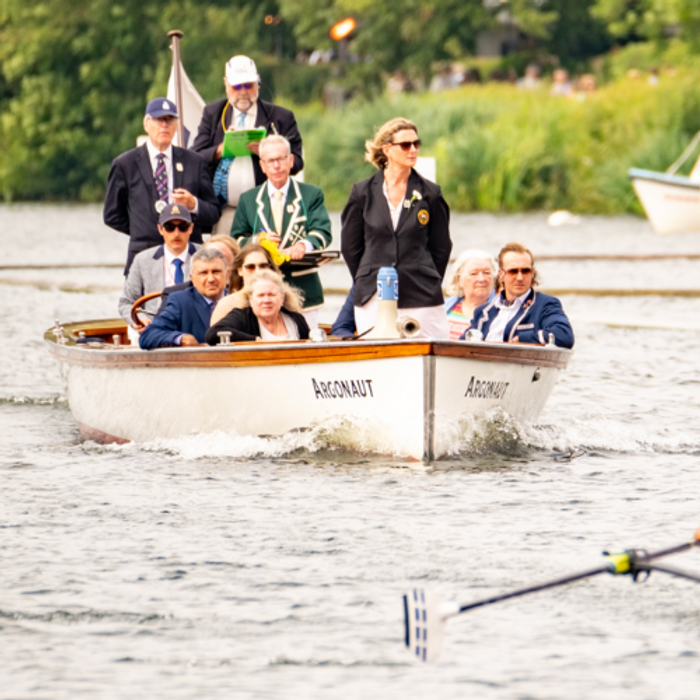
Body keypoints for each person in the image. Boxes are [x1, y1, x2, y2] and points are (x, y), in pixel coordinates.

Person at [340, 117, 452, 339]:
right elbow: (350, 248)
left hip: (421, 293)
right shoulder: (361, 192)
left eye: (416, 144)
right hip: (373, 293)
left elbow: (441, 247)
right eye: (405, 145)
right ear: (387, 150)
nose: (413, 150)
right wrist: (367, 276)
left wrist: (425, 277)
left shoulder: (431, 193)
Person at [103, 97, 221, 274]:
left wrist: (193, 205)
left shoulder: (195, 162)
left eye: (170, 119)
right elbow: (112, 214)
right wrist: (143, 229)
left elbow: (213, 213)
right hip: (144, 255)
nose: (164, 125)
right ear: (146, 124)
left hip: (189, 257)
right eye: (159, 119)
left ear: (176, 126)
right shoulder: (125, 164)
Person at [191, 55, 304, 236]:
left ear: (258, 83)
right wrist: (222, 149)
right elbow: (195, 158)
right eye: (237, 86)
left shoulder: (281, 117)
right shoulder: (213, 114)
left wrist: (267, 152)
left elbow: (297, 162)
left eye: (248, 85)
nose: (243, 91)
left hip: (268, 207)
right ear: (226, 85)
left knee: (266, 261)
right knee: (224, 258)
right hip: (226, 209)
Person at [231, 134, 332, 329]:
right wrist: (256, 240)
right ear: (262, 166)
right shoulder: (247, 199)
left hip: (303, 288)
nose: (276, 165)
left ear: (291, 160)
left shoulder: (312, 194)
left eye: (280, 159)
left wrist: (304, 245)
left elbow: (322, 231)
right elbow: (236, 238)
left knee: (306, 345)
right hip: (260, 292)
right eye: (270, 161)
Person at [465, 242, 574, 348]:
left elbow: (565, 336)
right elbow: (460, 344)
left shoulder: (545, 304)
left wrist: (522, 339)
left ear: (532, 273)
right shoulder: (483, 312)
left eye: (525, 271)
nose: (520, 278)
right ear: (501, 274)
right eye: (513, 271)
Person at [118, 203, 199, 330]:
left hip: (196, 327)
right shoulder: (142, 260)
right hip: (156, 328)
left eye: (182, 227)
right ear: (160, 229)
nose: (176, 233)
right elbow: (126, 302)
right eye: (169, 227)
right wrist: (141, 319)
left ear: (191, 228)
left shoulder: (206, 255)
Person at [140, 248, 228, 349]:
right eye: (203, 273)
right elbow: (148, 336)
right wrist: (180, 338)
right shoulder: (180, 301)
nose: (211, 279)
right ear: (192, 279)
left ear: (227, 275)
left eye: (216, 272)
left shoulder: (241, 300)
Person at [206, 269, 310, 344]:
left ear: (282, 298)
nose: (266, 300)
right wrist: (254, 341)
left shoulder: (296, 319)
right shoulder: (242, 316)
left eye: (272, 294)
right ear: (251, 299)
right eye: (260, 295)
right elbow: (212, 334)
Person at [210, 243, 281, 325]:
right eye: (250, 267)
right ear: (240, 271)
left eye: (263, 266)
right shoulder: (227, 304)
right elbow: (214, 335)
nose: (257, 271)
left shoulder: (282, 299)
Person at [444, 250, 497, 340]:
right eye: (474, 274)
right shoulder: (444, 308)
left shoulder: (501, 310)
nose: (481, 279)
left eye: (487, 273)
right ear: (459, 280)